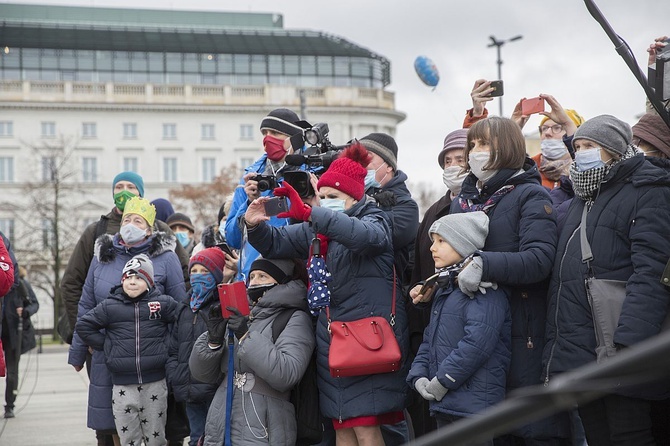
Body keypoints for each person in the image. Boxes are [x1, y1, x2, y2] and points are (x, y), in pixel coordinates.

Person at [243, 143, 409, 446]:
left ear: (355, 197)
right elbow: (276, 243)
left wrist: (311, 212)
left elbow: (361, 236)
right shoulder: (317, 229)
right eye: (324, 197)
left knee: (366, 428)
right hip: (334, 344)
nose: (327, 203)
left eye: (334, 197)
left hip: (368, 343)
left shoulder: (375, 220)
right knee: (342, 428)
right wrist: (254, 226)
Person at [542, 115, 670, 445]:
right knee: (597, 434)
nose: (581, 152)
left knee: (630, 434)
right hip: (582, 348)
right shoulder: (581, 199)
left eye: (591, 147)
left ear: (613, 151)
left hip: (622, 344)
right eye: (579, 146)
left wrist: (629, 342)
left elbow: (652, 272)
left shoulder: (646, 190)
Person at [449, 116, 568, 444]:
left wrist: (483, 265)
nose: (475, 151)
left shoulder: (531, 196)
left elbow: (539, 261)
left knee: (528, 432)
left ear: (507, 147)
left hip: (522, 335)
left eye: (484, 144)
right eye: (472, 144)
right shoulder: (464, 201)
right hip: (477, 333)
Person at [68, 196, 187, 445]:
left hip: (154, 363)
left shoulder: (166, 258)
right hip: (110, 361)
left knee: (157, 429)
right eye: (127, 219)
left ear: (149, 228)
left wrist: (174, 351)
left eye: (137, 220)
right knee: (114, 426)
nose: (130, 224)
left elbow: (180, 310)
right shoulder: (103, 256)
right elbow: (87, 303)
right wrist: (81, 350)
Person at [407, 211, 511, 443]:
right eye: (433, 241)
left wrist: (443, 380)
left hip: (474, 407)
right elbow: (430, 339)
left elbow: (477, 344)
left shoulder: (484, 289)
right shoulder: (445, 288)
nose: (432, 248)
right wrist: (418, 376)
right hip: (447, 401)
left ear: (463, 244)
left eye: (441, 241)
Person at [188, 257, 315, 445]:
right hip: (221, 417)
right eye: (252, 276)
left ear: (281, 282)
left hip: (264, 423)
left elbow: (287, 373)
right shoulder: (241, 313)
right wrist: (213, 341)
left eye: (262, 276)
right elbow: (202, 374)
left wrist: (245, 336)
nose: (254, 282)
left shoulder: (294, 317)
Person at [62, 172, 189, 345]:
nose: (124, 191)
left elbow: (184, 275)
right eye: (119, 187)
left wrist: (175, 332)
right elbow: (72, 283)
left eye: (131, 187)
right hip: (105, 338)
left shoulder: (160, 228)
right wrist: (86, 335)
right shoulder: (96, 231)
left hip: (154, 339)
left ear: (141, 193)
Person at [76, 254, 180, 446]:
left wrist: (170, 346)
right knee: (128, 439)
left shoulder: (162, 303)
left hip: (155, 383)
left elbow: (182, 321)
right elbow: (84, 325)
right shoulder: (110, 306)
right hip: (122, 387)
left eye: (139, 277)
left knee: (156, 438)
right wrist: (107, 345)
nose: (133, 282)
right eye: (128, 277)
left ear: (149, 282)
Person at [407, 127, 468, 438]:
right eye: (447, 161)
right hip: (433, 319)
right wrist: (422, 288)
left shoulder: (477, 204)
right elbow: (421, 266)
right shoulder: (433, 211)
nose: (453, 166)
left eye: (460, 159)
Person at [225, 108, 306, 282]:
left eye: (275, 133)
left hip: (294, 275)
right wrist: (248, 203)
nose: (268, 138)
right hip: (253, 276)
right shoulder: (251, 177)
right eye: (265, 133)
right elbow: (232, 239)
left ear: (293, 139)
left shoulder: (309, 173)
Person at [166, 247, 228, 446]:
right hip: (188, 388)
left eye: (204, 271)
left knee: (215, 437)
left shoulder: (221, 307)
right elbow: (173, 347)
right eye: (194, 271)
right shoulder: (184, 307)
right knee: (195, 437)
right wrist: (174, 374)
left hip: (214, 388)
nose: (198, 276)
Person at [2, 266, 39, 419]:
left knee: (11, 373)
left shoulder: (19, 285)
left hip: (12, 335)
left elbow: (34, 304)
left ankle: (10, 404)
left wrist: (24, 312)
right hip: (4, 332)